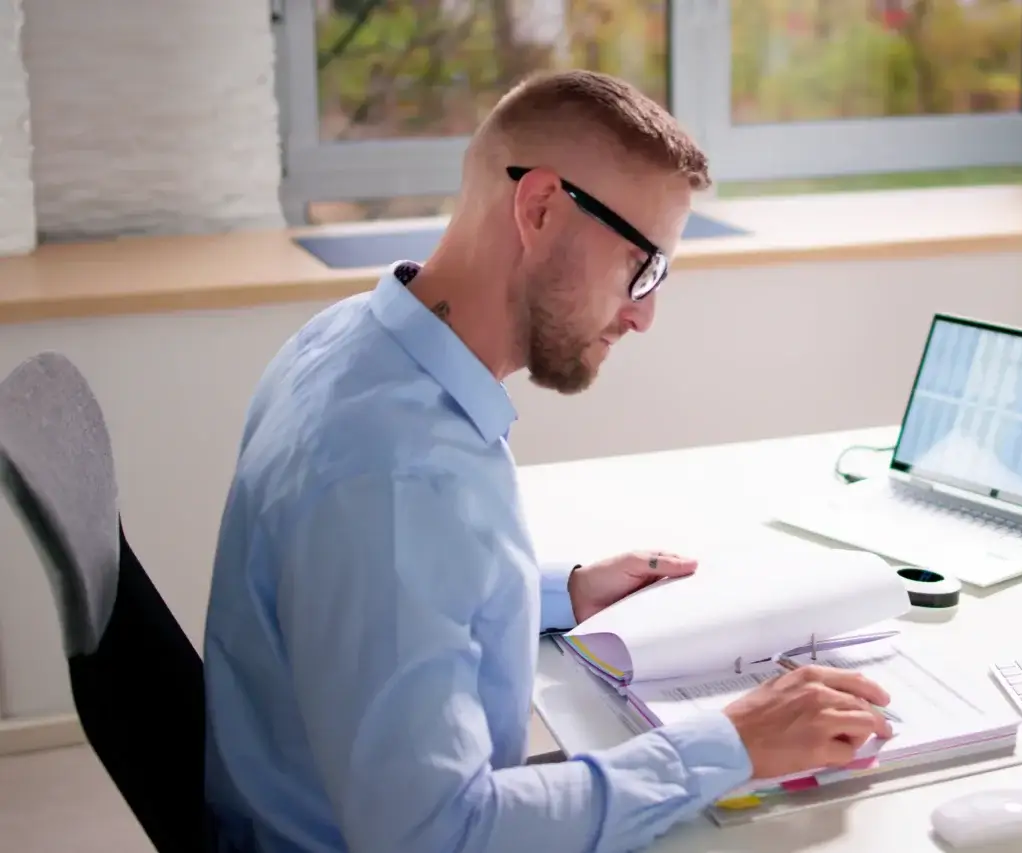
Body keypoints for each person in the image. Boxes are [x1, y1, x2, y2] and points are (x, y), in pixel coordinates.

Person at [202, 70, 892, 852]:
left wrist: (564, 591)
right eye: (641, 265)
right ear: (538, 209)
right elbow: (437, 836)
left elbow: (386, 591)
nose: (644, 313)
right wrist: (731, 742)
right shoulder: (396, 476)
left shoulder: (349, 341)